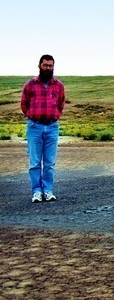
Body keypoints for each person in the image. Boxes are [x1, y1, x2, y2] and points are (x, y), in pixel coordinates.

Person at [20, 54, 66, 203]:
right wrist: (31, 116)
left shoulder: (58, 85)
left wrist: (56, 115)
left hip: (52, 127)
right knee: (34, 162)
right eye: (45, 65)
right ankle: (36, 192)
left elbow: (61, 103)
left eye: (50, 65)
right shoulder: (30, 85)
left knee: (49, 163)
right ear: (39, 66)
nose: (48, 68)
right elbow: (24, 104)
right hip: (35, 126)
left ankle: (48, 191)